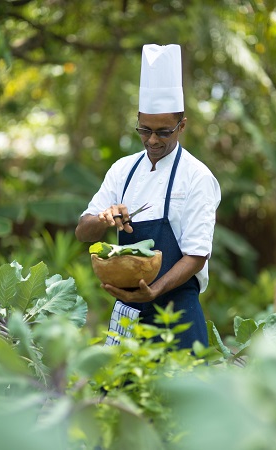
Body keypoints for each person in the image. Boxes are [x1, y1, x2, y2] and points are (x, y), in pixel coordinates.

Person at [75, 44, 221, 350]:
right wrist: (102, 220)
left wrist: (154, 291)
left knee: (179, 394)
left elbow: (196, 255)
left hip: (177, 312)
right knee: (119, 394)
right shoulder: (123, 170)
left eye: (163, 132)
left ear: (182, 126)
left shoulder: (197, 177)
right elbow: (82, 232)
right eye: (144, 129)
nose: (152, 140)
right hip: (128, 310)